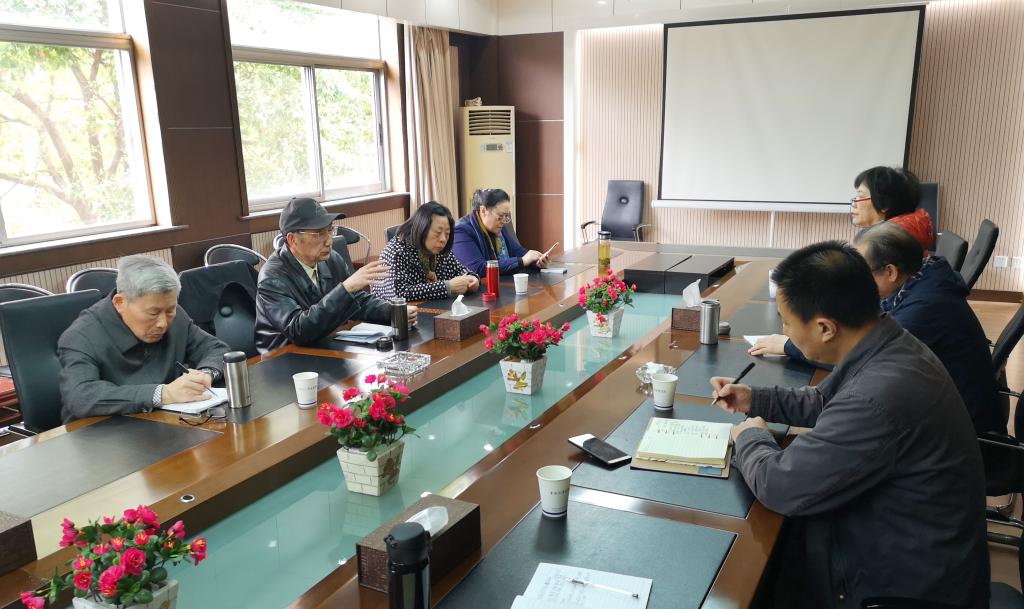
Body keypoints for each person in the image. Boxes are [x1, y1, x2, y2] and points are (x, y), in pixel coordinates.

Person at [712, 241, 988, 609]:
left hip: (900, 586)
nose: (785, 331)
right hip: (907, 547)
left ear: (825, 328)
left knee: (754, 572)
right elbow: (824, 401)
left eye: (787, 322)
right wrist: (754, 399)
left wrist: (750, 436)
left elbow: (780, 485)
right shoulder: (887, 342)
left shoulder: (878, 395)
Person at [750, 223, 1004, 434]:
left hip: (968, 436)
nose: (853, 281)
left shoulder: (924, 310)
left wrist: (790, 346)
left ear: (890, 272)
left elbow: (858, 354)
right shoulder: (922, 281)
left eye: (861, 272)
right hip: (936, 423)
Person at [58, 255, 230, 423]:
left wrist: (206, 374)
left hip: (167, 423)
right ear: (120, 302)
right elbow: (80, 396)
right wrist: (162, 394)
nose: (163, 323)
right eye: (153, 313)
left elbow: (216, 348)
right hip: (103, 432)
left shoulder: (175, 316)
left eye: (170, 310)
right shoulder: (82, 335)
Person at [255, 197, 417, 352]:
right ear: (292, 240)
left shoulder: (332, 259)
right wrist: (345, 289)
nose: (329, 241)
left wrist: (394, 312)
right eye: (319, 234)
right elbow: (298, 331)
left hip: (326, 343)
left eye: (330, 230)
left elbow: (358, 300)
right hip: (285, 356)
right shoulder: (272, 277)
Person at [373, 201, 480, 301]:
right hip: (395, 314)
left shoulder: (440, 251)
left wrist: (472, 278)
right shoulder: (396, 251)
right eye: (438, 232)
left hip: (431, 308)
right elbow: (399, 293)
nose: (443, 239)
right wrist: (447, 287)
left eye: (447, 233)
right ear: (422, 229)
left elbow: (459, 270)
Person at [452, 188, 550, 276]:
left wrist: (537, 260)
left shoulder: (498, 226)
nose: (504, 221)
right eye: (500, 216)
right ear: (483, 211)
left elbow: (517, 251)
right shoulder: (461, 231)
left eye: (506, 216)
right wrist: (522, 261)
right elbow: (478, 268)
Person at [849, 165, 933, 251]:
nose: (854, 203)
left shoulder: (884, 244)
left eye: (861, 196)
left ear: (884, 204)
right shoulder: (900, 234)